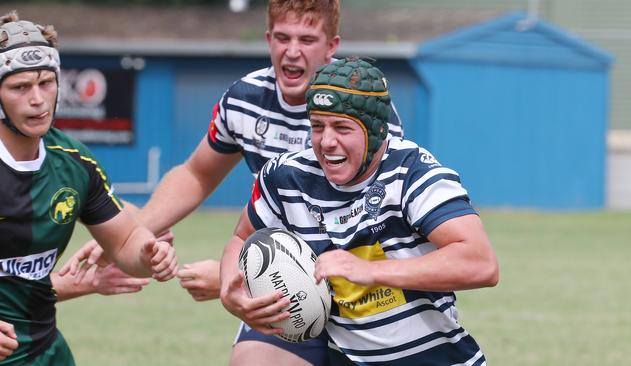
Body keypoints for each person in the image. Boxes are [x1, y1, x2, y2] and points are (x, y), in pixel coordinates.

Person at [62, 1, 403, 365]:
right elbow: (197, 174)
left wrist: (244, 273)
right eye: (283, 38)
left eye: (306, 39)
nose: (292, 51)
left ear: (331, 46)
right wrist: (129, 234)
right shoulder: (245, 99)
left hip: (361, 282)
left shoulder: (361, 106)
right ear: (268, 39)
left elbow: (371, 221)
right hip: (286, 286)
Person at [220, 57, 499, 365]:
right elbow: (242, 237)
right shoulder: (286, 178)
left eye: (342, 127)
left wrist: (369, 271)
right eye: (317, 126)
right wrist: (231, 292)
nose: (326, 142)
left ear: (377, 129)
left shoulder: (412, 173)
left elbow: (480, 263)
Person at [0, 12, 178, 365]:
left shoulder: (74, 163)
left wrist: (147, 255)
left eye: (46, 82)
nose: (38, 99)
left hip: (44, 351)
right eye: (20, 86)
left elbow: (125, 242)